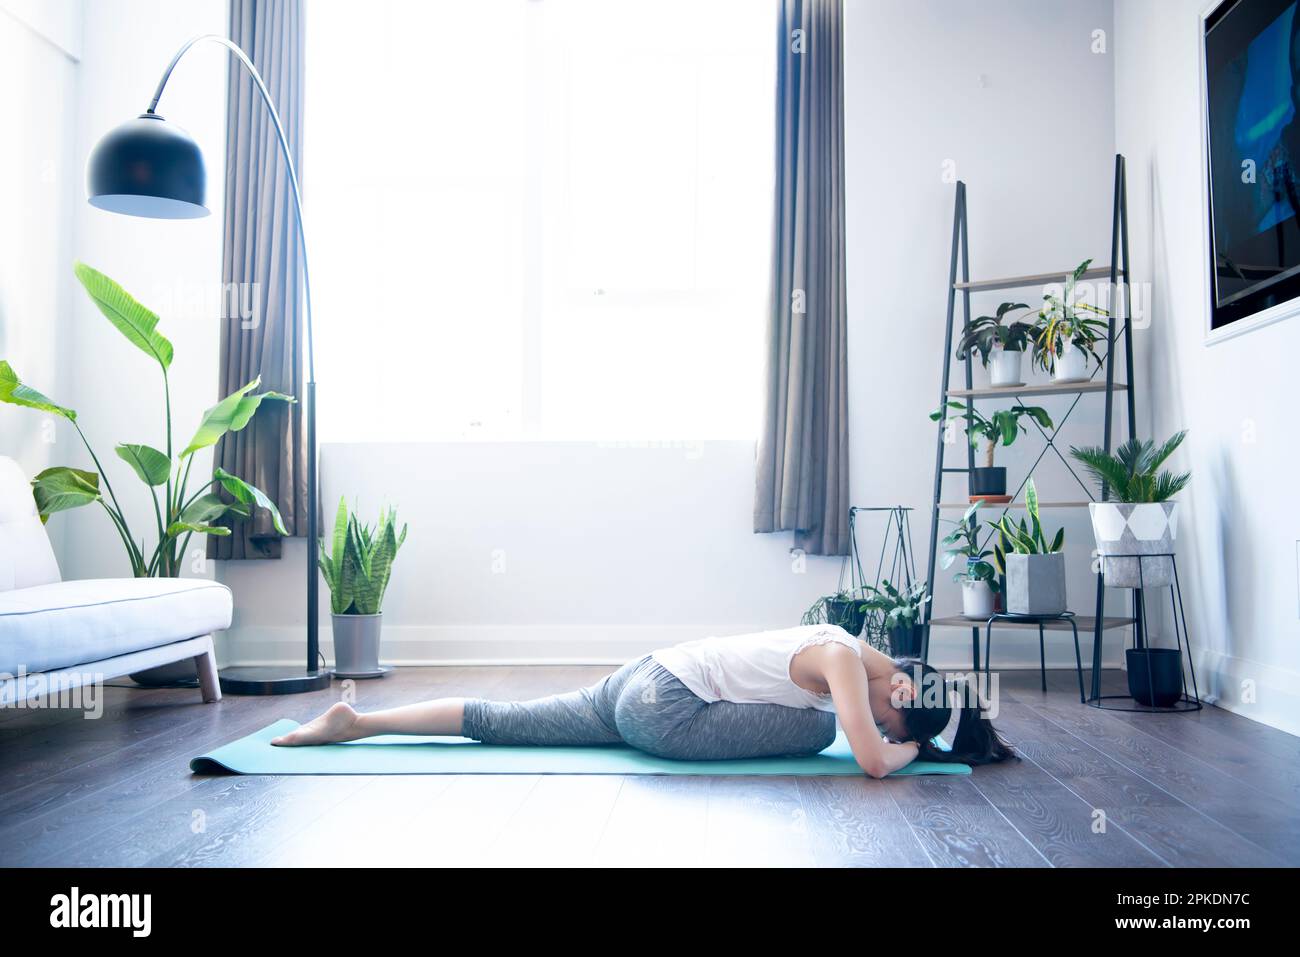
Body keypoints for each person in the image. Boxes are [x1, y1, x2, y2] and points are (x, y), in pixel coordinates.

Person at [272, 623, 1014, 777]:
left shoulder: (837, 636)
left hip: (646, 672)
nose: (880, 722)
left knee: (504, 722)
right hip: (669, 711)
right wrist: (908, 747)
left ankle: (356, 720)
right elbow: (872, 764)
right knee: (820, 734)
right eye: (893, 714)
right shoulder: (850, 662)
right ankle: (356, 721)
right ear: (902, 686)